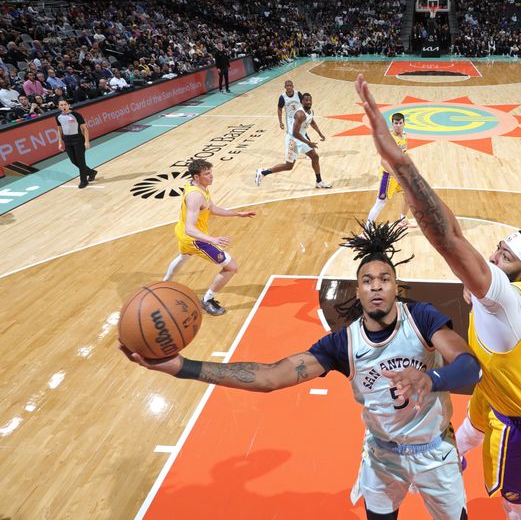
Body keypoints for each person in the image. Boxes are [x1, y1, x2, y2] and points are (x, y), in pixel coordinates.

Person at [124, 221, 481, 520]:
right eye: (367, 280)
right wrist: (182, 367)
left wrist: (431, 378)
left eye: (384, 279)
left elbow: (469, 367)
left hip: (433, 449)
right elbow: (269, 377)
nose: (376, 286)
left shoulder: (420, 318)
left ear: (395, 287)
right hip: (383, 455)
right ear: (357, 291)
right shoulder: (342, 344)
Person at [356, 74, 521, 520]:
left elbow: (447, 239)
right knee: (468, 425)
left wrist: (401, 166)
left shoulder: (505, 298)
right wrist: (411, 181)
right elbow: (460, 233)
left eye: (503, 255)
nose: (491, 256)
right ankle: (459, 454)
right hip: (505, 383)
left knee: (516, 500)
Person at [163, 159, 256, 315]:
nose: (211, 176)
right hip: (195, 238)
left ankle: (165, 283)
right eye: (207, 174)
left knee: (183, 257)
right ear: (196, 177)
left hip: (181, 231)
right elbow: (190, 229)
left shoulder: (196, 185)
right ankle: (207, 300)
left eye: (211, 172)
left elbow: (211, 208)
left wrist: (237, 214)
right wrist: (212, 239)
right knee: (231, 267)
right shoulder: (195, 196)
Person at [255, 92, 332, 189]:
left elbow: (312, 121)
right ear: (301, 101)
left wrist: (320, 133)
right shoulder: (300, 114)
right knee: (289, 166)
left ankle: (319, 181)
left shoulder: (310, 111)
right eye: (306, 100)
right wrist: (308, 142)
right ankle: (263, 172)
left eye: (310, 100)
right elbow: (295, 133)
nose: (308, 102)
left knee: (315, 157)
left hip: (302, 138)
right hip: (293, 140)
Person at [365, 112, 415, 229]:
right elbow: (383, 161)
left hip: (400, 174)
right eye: (395, 123)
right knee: (380, 203)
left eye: (400, 123)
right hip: (388, 176)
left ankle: (403, 219)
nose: (398, 125)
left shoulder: (404, 136)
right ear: (392, 124)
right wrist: (397, 176)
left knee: (409, 196)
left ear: (404, 123)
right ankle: (367, 229)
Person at [55, 99, 95, 188]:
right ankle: (91, 172)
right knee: (73, 161)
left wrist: (86, 141)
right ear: (58, 107)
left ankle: (83, 180)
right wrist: (60, 142)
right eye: (61, 105)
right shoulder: (58, 116)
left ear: (68, 105)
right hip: (67, 140)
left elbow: (85, 129)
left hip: (78, 139)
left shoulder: (76, 115)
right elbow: (59, 129)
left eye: (65, 104)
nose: (63, 106)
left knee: (81, 161)